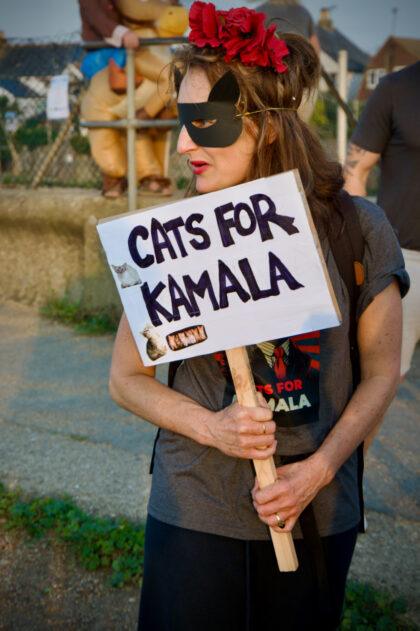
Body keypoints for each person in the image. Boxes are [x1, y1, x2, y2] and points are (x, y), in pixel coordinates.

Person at [109, 4, 409, 629]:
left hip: (317, 516)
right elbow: (126, 379)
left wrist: (319, 470)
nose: (184, 141)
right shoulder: (174, 237)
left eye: (207, 122)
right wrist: (211, 427)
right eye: (182, 121)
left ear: (267, 127)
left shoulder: (359, 228)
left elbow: (381, 373)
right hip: (193, 513)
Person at [344, 62, 420, 381]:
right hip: (406, 260)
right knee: (381, 380)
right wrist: (368, 254)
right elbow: (355, 172)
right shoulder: (396, 88)